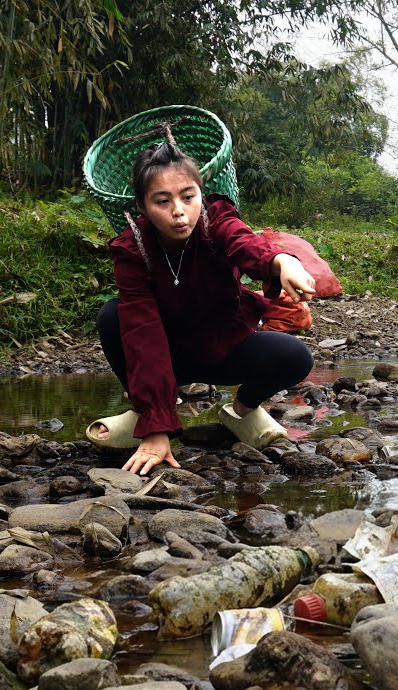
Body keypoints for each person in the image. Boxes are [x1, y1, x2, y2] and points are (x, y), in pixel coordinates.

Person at [86, 141, 316, 476]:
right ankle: (147, 412)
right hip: (166, 353)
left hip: (221, 347)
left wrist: (280, 261)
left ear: (200, 195)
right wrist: (156, 431)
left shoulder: (215, 221)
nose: (179, 210)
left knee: (296, 356)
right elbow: (142, 330)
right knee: (113, 315)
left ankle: (242, 411)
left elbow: (244, 241)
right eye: (163, 201)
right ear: (143, 206)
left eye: (188, 197)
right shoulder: (132, 249)